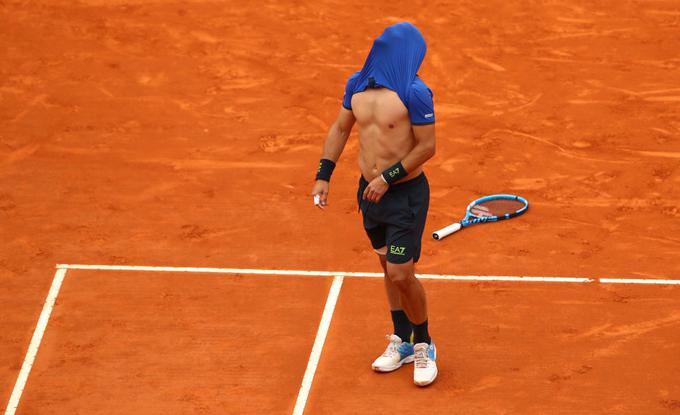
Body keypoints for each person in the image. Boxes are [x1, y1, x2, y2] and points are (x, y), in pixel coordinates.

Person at [311, 22, 437, 386]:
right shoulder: (357, 85)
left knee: (401, 273)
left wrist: (388, 177)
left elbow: (427, 147)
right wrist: (324, 173)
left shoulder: (415, 92)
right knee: (386, 266)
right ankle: (401, 340)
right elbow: (339, 129)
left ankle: (424, 344)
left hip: (404, 197)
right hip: (369, 193)